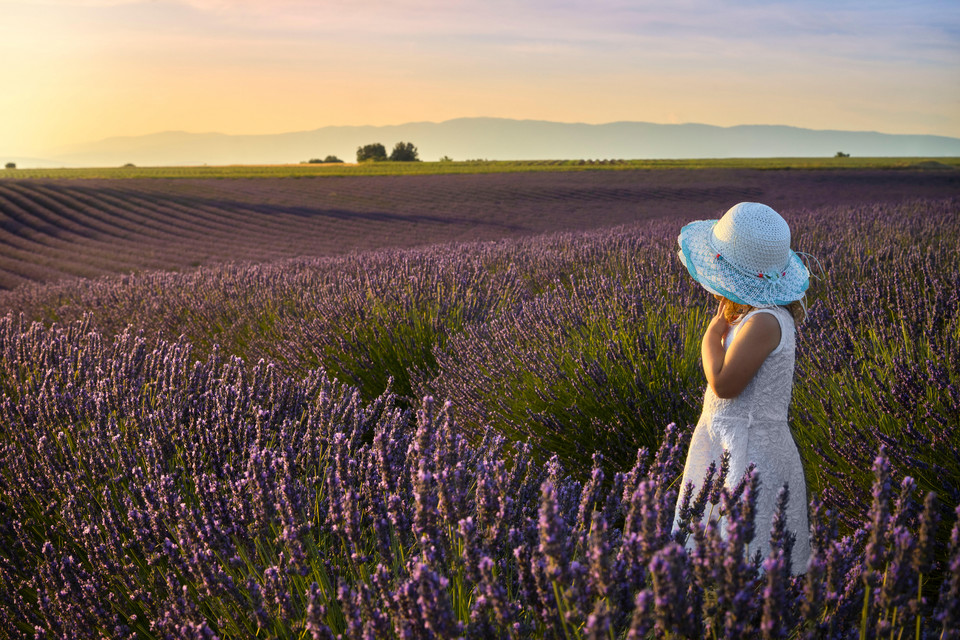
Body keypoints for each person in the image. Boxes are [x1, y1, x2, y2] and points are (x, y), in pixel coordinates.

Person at [674, 201, 813, 574]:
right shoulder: (753, 317)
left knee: (750, 559)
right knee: (718, 556)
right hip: (726, 444)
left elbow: (723, 384)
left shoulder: (764, 323)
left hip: (751, 453)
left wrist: (710, 338)